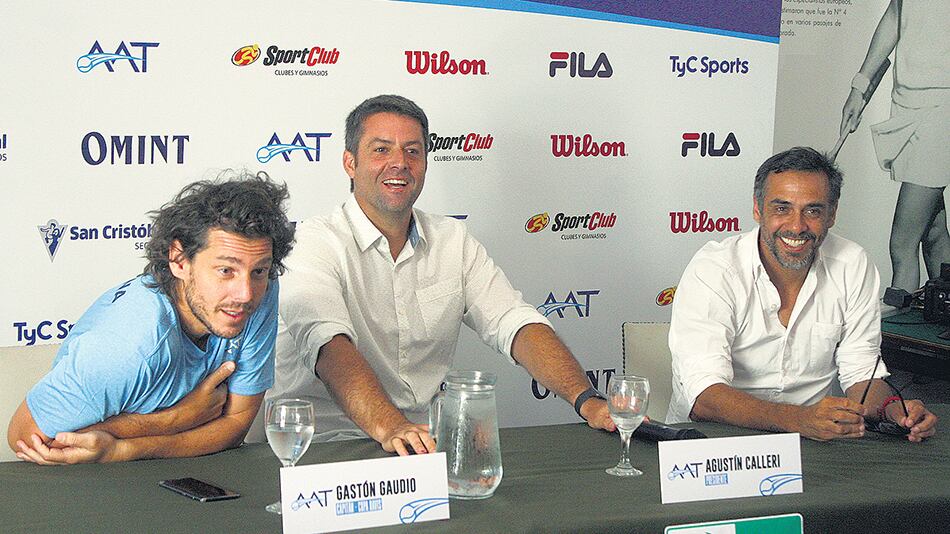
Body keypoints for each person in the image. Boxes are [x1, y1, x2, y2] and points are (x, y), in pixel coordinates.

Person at [263, 94, 613, 455]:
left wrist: (586, 399)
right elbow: (328, 345)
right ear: (350, 163)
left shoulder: (453, 240)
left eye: (412, 151)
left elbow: (514, 322)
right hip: (321, 447)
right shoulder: (311, 242)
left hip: (421, 444)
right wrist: (391, 426)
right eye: (381, 150)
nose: (399, 163)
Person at [7, 171, 295, 463]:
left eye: (258, 270)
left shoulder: (260, 288)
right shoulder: (129, 346)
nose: (245, 293)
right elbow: (28, 439)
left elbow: (235, 426)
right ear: (179, 261)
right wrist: (177, 418)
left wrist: (125, 448)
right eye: (225, 271)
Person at [667, 147, 937, 442]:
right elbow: (703, 396)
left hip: (810, 446)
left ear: (832, 214)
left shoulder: (853, 264)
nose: (797, 226)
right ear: (758, 210)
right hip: (710, 444)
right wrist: (799, 419)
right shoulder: (715, 269)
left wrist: (893, 410)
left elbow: (860, 371)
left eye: (813, 210)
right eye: (782, 208)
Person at [839, 0, 950, 293]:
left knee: (902, 242)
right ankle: (939, 322)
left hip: (942, 104)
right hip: (907, 101)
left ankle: (892, 332)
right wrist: (859, 87)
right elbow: (895, 15)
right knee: (933, 232)